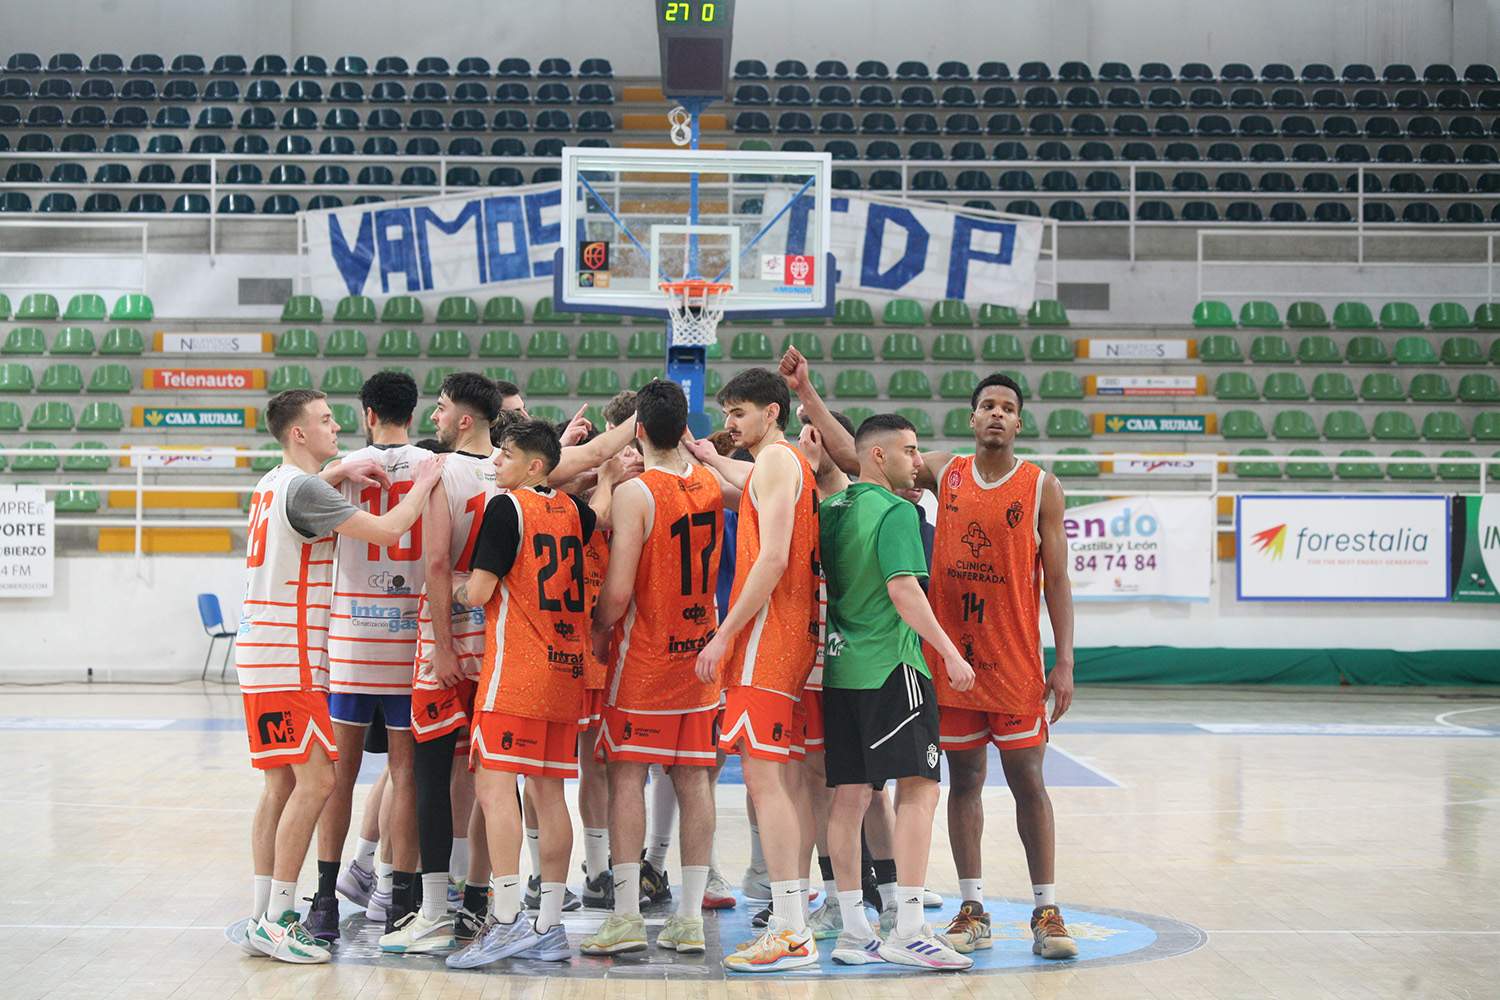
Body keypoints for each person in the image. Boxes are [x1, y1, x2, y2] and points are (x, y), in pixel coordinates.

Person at [784, 348, 1080, 961]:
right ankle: (971, 906)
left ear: (1019, 423)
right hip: (953, 664)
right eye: (987, 406)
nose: (997, 414)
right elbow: (856, 453)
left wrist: (1066, 656)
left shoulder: (1042, 486)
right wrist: (809, 394)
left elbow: (1057, 579)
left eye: (1008, 408)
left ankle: (1046, 907)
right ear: (972, 419)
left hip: (1017, 661)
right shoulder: (942, 472)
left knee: (1029, 781)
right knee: (960, 781)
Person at [237, 388, 444, 964]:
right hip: (290, 654)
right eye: (325, 422)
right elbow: (386, 530)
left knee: (281, 785)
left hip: (258, 648)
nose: (336, 430)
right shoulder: (305, 488)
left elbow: (319, 483)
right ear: (297, 433)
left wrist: (340, 467)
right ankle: (282, 918)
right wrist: (425, 483)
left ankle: (261, 914)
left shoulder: (273, 483)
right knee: (320, 783)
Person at [813, 413, 976, 970]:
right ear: (877, 457)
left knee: (851, 796)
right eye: (909, 450)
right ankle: (908, 926)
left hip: (840, 672)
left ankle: (855, 929)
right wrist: (951, 653)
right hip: (894, 668)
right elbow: (904, 589)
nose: (918, 460)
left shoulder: (830, 510)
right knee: (920, 789)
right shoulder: (899, 510)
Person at [445, 420, 597, 969]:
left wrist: (446, 588)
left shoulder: (505, 508)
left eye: (505, 456)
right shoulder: (574, 511)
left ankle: (506, 920)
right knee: (550, 796)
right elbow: (590, 510)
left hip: (517, 673)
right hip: (567, 672)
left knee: (494, 788)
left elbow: (481, 590)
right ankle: (549, 927)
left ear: (534, 465)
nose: (495, 464)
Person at [684, 368, 821, 973]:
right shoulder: (782, 463)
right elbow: (745, 480)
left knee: (768, 787)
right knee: (779, 785)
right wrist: (706, 455)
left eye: (739, 412)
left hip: (768, 637)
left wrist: (725, 632)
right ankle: (792, 922)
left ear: (772, 412)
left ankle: (791, 930)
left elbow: (771, 559)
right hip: (786, 638)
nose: (730, 421)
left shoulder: (776, 462)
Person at [581, 380, 725, 957]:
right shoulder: (713, 484)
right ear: (684, 427)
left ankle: (625, 916)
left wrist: (591, 626)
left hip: (644, 658)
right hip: (699, 655)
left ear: (636, 430)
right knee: (693, 779)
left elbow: (616, 597)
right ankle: (689, 916)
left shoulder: (637, 495)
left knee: (627, 777)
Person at [381, 373, 505, 954]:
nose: (433, 416)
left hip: (449, 643)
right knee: (495, 782)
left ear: (463, 419)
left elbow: (435, 565)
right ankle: (483, 905)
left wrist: (441, 643)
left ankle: (433, 910)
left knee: (431, 774)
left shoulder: (442, 472)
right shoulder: (516, 468)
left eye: (440, 407)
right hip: (503, 649)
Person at [308, 371, 431, 942]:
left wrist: (333, 468)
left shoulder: (340, 472)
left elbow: (295, 493)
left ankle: (326, 902)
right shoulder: (437, 466)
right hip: (410, 643)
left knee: (340, 776)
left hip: (353, 639)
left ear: (366, 413)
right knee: (405, 776)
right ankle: (398, 900)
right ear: (416, 410)